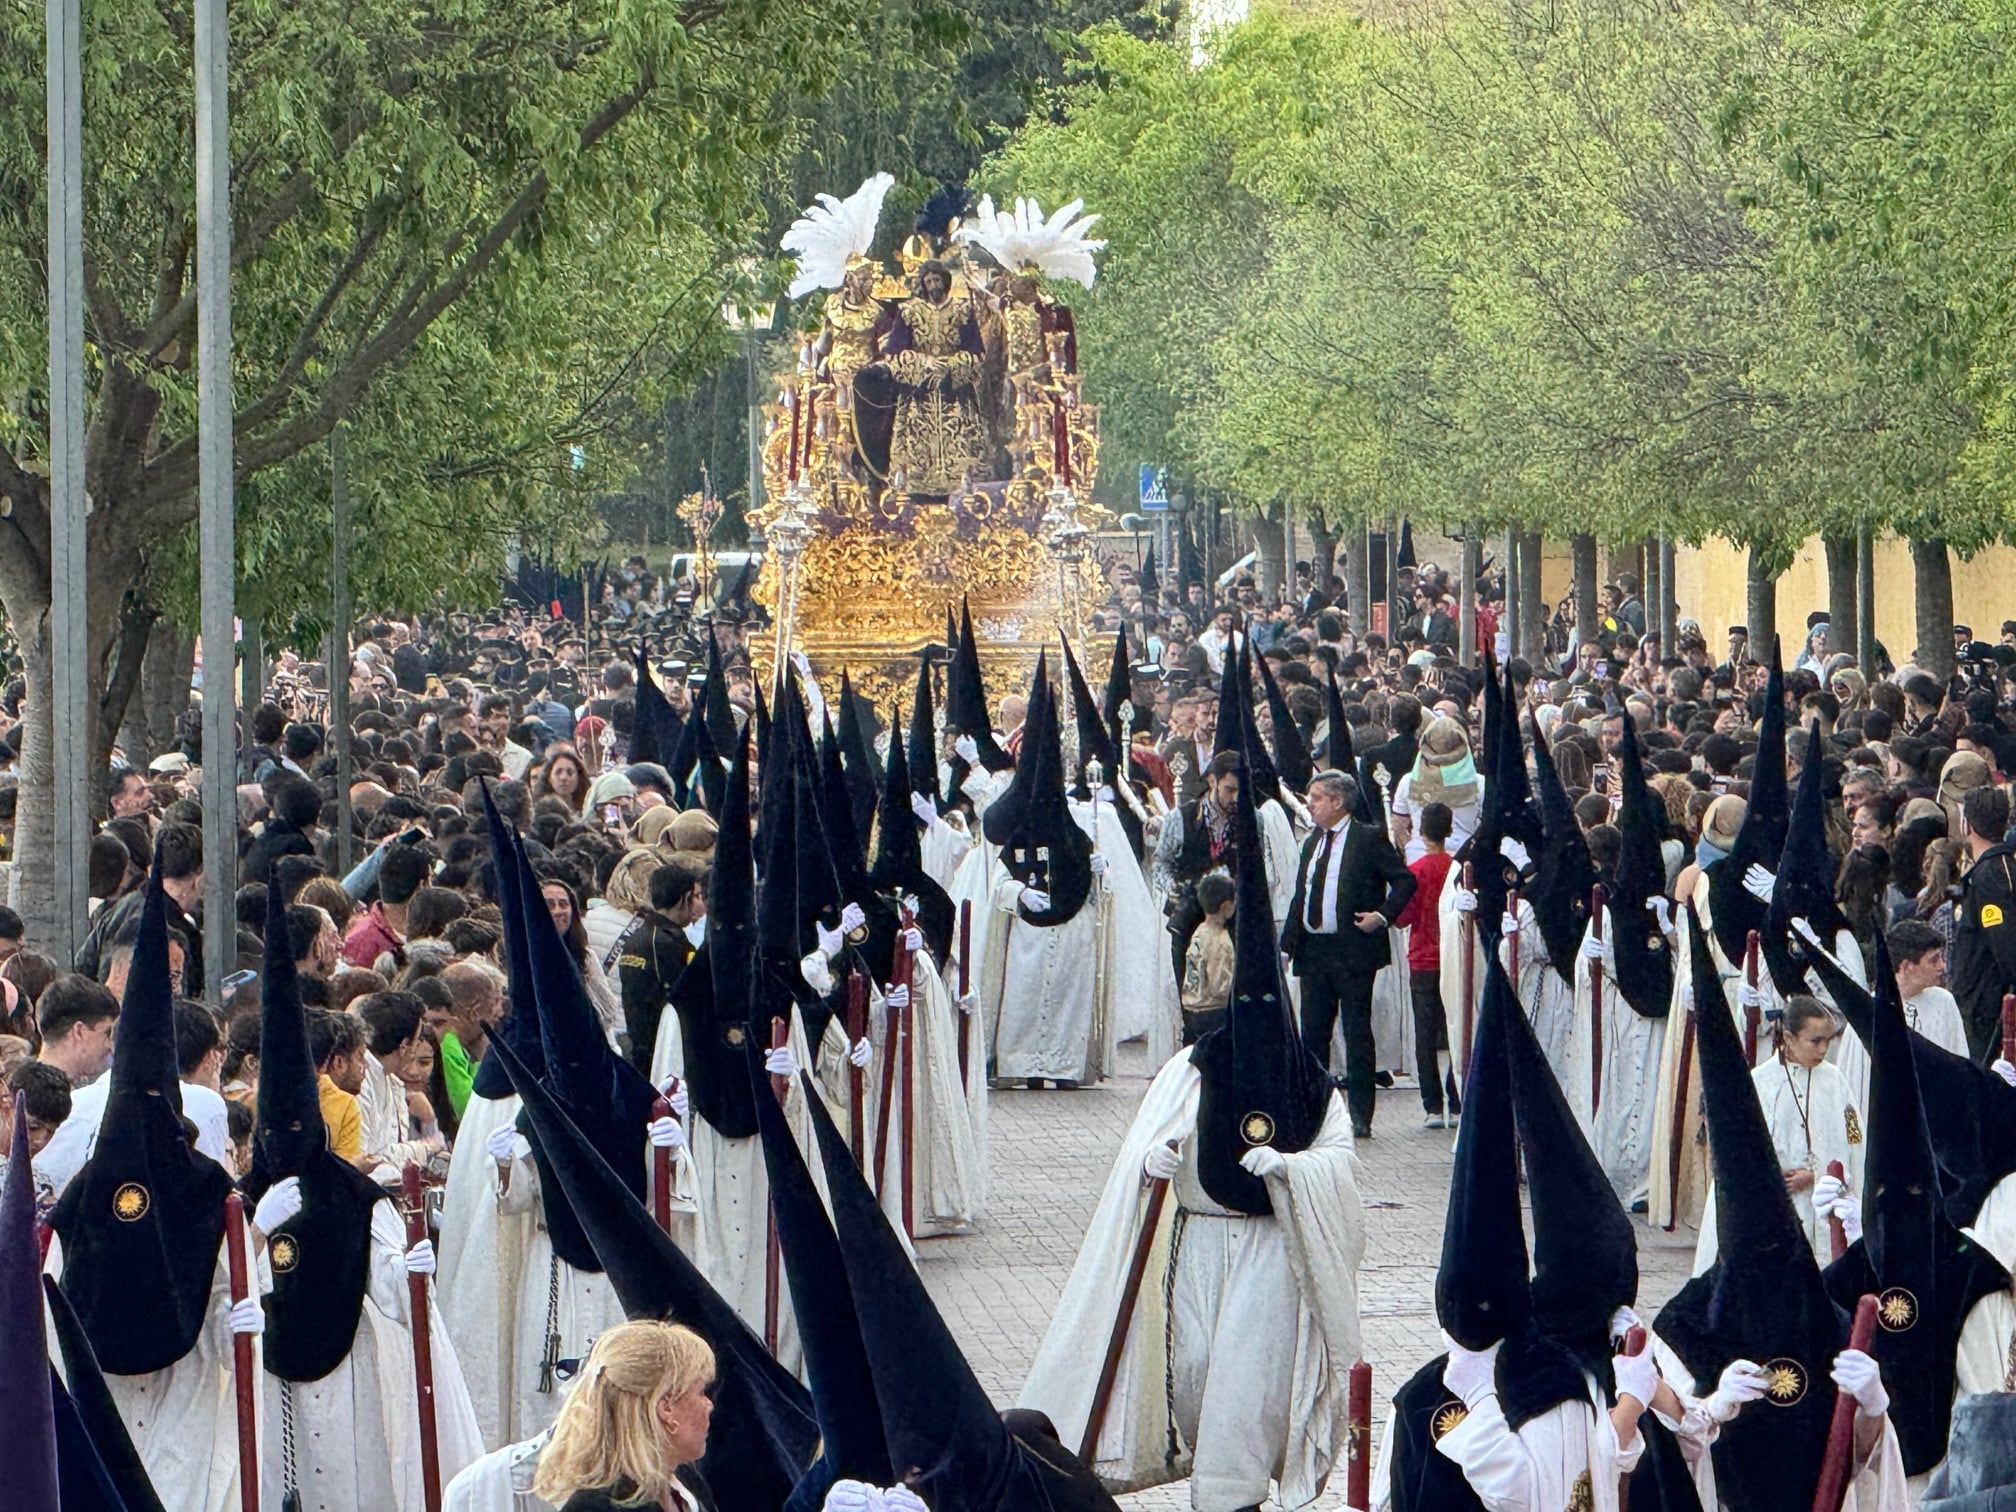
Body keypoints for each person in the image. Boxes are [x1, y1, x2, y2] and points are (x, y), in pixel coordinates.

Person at [1022, 750, 1362, 1512]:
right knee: (1202, 1366)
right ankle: (1203, 1471)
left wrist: (1291, 1170)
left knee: (1251, 1378)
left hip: (1274, 1249)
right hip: (1201, 1242)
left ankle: (1229, 1500)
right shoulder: (1197, 1065)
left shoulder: (1311, 1083)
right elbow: (1157, 1136)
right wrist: (1154, 1157)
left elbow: (1339, 1164)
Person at [1280, 769, 1416, 1137]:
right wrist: (1287, 945)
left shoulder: (1367, 839)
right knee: (1312, 1035)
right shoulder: (1312, 842)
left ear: (1337, 802)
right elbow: (1302, 894)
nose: (1310, 804)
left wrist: (1383, 916)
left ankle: (1360, 1115)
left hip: (1353, 949)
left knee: (1357, 1032)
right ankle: (1313, 1110)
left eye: (1317, 797)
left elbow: (1405, 880)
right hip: (1315, 950)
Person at [1693, 995, 1864, 1270]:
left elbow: (1855, 1135)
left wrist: (1820, 1175)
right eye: (1815, 1041)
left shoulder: (1836, 1081)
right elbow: (1738, 1150)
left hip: (1824, 1204)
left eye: (1828, 1041)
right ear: (1789, 1037)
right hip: (1772, 1206)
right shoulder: (1759, 1083)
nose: (1823, 1049)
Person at [529, 1320, 718, 1511]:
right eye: (701, 1392)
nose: (709, 1405)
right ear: (666, 1407)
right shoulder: (598, 1507)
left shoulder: (687, 1485)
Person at [1391, 799, 1458, 1125]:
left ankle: (1432, 1105)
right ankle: (1456, 1097)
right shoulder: (1458, 869)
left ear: (1420, 831)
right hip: (1452, 957)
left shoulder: (1414, 871)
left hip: (1421, 957)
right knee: (1455, 1028)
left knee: (1425, 1032)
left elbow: (1402, 918)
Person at [612, 857, 705, 1074]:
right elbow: (687, 1001)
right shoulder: (671, 944)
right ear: (685, 898)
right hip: (666, 1053)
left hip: (639, 1046)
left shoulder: (636, 938)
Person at [1947, 783, 2016, 1062]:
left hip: (1986, 1011)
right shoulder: (1992, 870)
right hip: (1978, 1005)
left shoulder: (1992, 876)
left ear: (1967, 825)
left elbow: (2005, 944)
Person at [1179, 869, 1235, 1044]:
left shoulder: (1198, 932)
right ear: (1226, 906)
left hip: (1191, 1005)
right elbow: (1220, 986)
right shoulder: (1222, 940)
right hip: (1213, 1010)